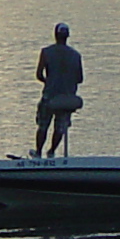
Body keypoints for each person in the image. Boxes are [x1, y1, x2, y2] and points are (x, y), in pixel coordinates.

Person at [34, 22, 84, 157]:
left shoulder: (46, 52)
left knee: (43, 126)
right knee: (60, 128)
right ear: (67, 36)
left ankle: (38, 153)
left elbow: (39, 75)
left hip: (50, 96)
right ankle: (52, 152)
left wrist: (48, 82)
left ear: (55, 35)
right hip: (67, 97)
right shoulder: (76, 55)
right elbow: (80, 78)